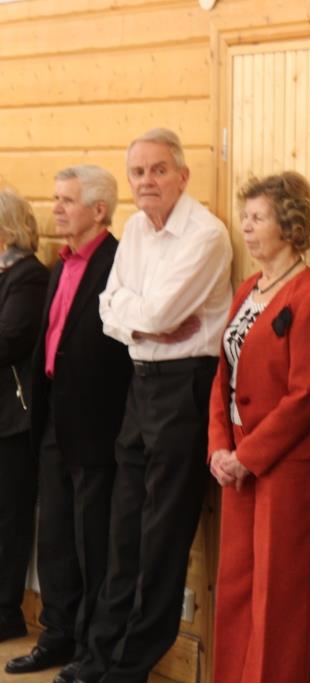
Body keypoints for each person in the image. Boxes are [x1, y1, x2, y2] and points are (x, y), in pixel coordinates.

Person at [75, 128, 232, 683]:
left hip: (186, 387)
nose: (147, 181)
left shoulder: (206, 235)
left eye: (159, 170)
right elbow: (108, 308)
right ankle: (98, 656)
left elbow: (161, 314)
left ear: (182, 176)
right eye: (138, 172)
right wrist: (142, 324)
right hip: (139, 387)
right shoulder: (137, 230)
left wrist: (140, 319)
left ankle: (128, 667)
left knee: (162, 539)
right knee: (123, 534)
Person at [207, 172, 310, 683]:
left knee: (277, 594)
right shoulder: (248, 288)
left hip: (284, 465)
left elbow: (307, 395)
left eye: (257, 217)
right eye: (245, 217)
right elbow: (223, 375)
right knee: (236, 587)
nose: (245, 226)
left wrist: (248, 456)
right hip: (237, 460)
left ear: (289, 225)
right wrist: (220, 448)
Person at [4, 167, 132, 683]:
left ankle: (92, 647)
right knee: (55, 535)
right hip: (54, 413)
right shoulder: (62, 263)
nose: (55, 208)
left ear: (99, 210)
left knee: (92, 541)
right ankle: (56, 635)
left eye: (67, 201)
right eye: (55, 198)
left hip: (97, 419)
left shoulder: (117, 261)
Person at [0, 189, 48, 643]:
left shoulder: (29, 276)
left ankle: (5, 613)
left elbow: (10, 339)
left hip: (13, 420)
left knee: (9, 519)